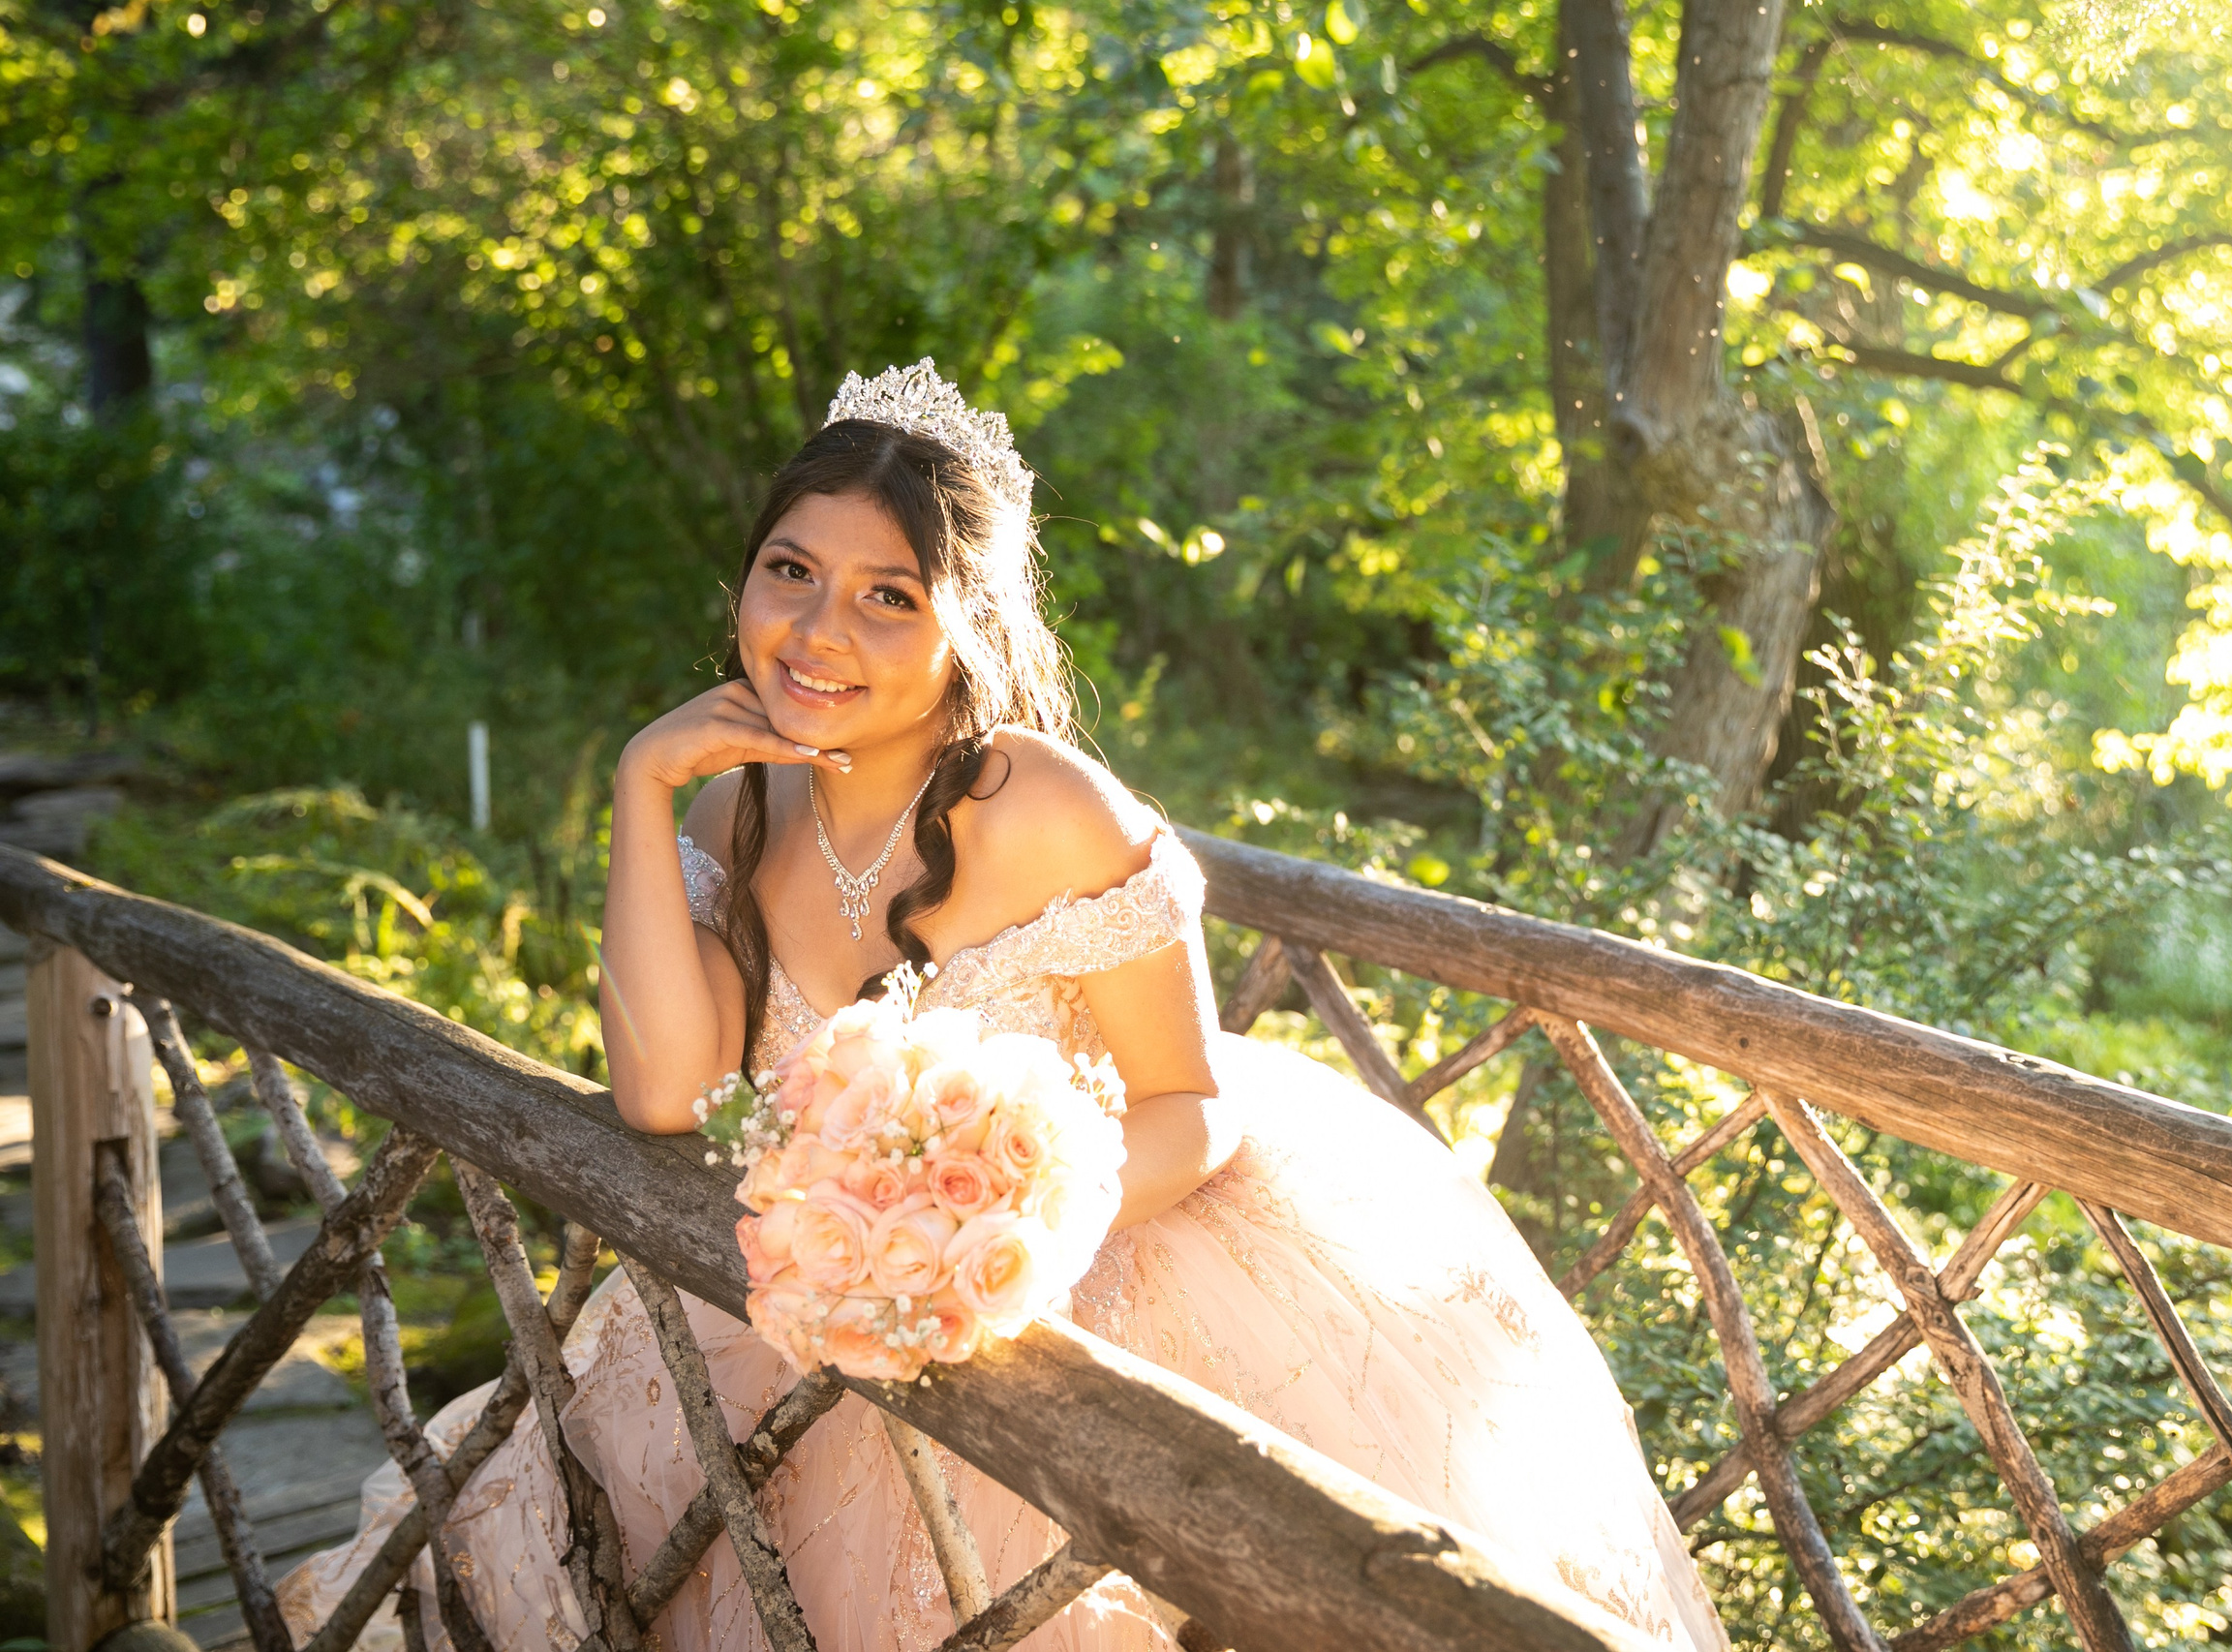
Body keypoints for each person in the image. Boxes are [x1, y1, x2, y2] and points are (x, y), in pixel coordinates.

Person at [278, 361, 1730, 1652]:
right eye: (789, 570)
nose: (818, 630)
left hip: (1103, 1269)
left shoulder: (1045, 806)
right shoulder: (737, 806)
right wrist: (640, 784)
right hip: (817, 1294)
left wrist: (997, 1240)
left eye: (888, 596)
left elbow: (1193, 1107)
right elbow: (664, 1095)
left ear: (967, 625)